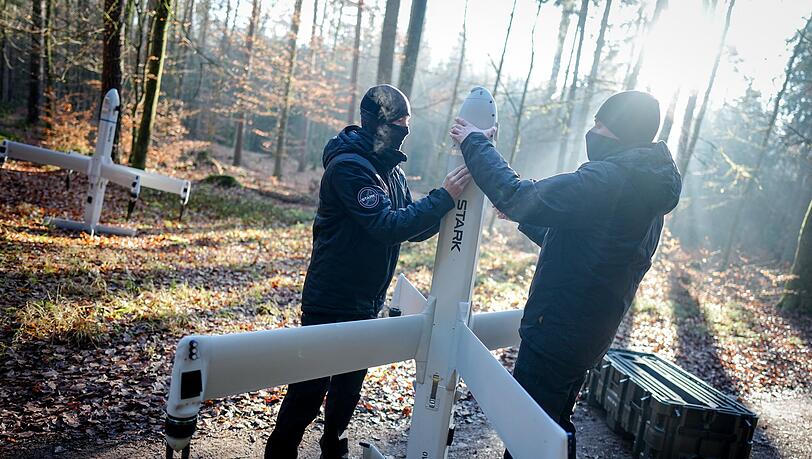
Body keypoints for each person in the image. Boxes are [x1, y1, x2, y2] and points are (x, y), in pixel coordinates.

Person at [449, 90, 682, 458]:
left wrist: (476, 143)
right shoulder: (645, 189)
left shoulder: (610, 179)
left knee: (527, 432)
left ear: (622, 132)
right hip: (587, 333)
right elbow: (592, 249)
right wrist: (524, 215)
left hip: (558, 330)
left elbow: (518, 194)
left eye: (601, 124)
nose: (593, 131)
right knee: (553, 427)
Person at [265, 84, 471, 459]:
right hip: (331, 298)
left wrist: (450, 208)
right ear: (377, 123)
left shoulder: (390, 170)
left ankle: (333, 450)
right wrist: (443, 197)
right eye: (398, 123)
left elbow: (414, 227)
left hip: (366, 299)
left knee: (348, 388)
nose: (404, 130)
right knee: (309, 390)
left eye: (407, 123)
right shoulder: (349, 168)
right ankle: (280, 452)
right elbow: (387, 225)